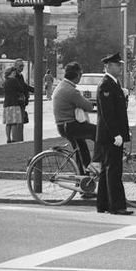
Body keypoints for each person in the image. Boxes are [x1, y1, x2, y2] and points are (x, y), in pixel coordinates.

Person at [94, 52, 133, 215]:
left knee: (106, 170)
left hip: (112, 134)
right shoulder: (106, 85)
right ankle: (116, 206)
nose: (120, 67)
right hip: (110, 136)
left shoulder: (114, 83)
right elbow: (107, 113)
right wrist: (116, 134)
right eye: (117, 65)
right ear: (108, 66)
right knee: (113, 170)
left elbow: (119, 112)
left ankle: (103, 204)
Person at [52, 62, 98, 193]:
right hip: (70, 126)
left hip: (64, 126)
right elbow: (88, 106)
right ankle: (97, 165)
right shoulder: (70, 90)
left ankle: (84, 182)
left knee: (81, 150)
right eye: (81, 74)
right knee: (98, 133)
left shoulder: (62, 85)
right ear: (77, 75)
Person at [2, 59, 34, 143]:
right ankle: (17, 140)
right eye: (20, 66)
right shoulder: (14, 78)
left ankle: (15, 139)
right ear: (15, 67)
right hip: (16, 103)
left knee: (14, 122)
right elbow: (22, 87)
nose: (22, 67)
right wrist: (33, 90)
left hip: (17, 103)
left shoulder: (19, 76)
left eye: (23, 66)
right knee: (16, 122)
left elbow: (23, 86)